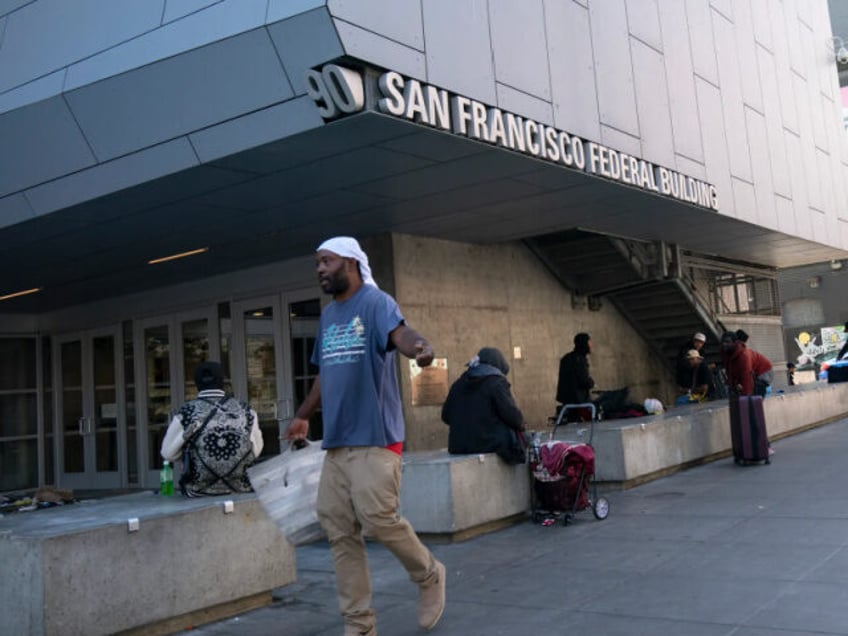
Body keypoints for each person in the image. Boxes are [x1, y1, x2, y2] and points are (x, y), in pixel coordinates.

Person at [285, 236, 445, 636]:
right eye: (317, 263)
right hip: (337, 444)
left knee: (378, 519)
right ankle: (359, 624)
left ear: (351, 264)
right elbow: (324, 373)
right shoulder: (328, 316)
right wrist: (303, 415)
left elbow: (401, 334)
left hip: (375, 438)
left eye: (327, 261)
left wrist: (420, 348)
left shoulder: (376, 303)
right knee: (339, 532)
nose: (320, 269)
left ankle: (428, 574)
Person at [161, 361, 263, 496]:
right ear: (222, 381)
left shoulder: (186, 412)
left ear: (196, 383)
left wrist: (190, 447)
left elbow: (167, 453)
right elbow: (256, 451)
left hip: (198, 491)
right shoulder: (246, 410)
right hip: (240, 489)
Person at [441, 347, 526, 464]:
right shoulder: (496, 383)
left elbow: (445, 416)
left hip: (458, 446)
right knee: (526, 439)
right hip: (490, 444)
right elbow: (513, 417)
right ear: (498, 366)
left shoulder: (458, 384)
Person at [719, 331, 773, 397]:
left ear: (735, 343)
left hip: (763, 371)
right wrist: (732, 385)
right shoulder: (724, 352)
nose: (724, 344)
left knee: (755, 395)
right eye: (723, 342)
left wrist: (747, 397)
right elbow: (729, 369)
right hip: (752, 371)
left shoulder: (743, 355)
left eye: (727, 342)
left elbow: (746, 376)